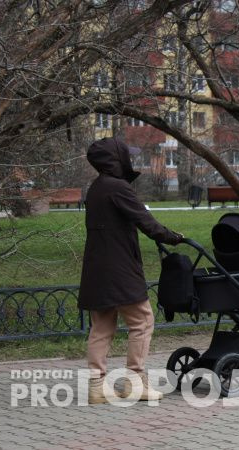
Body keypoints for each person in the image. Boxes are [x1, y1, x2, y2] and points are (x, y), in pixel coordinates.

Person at [79, 137, 184, 404]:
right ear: (116, 159)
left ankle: (96, 385)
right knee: (142, 320)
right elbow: (146, 222)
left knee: (101, 327)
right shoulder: (118, 188)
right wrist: (174, 237)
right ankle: (134, 381)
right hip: (120, 267)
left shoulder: (96, 188)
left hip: (96, 267)